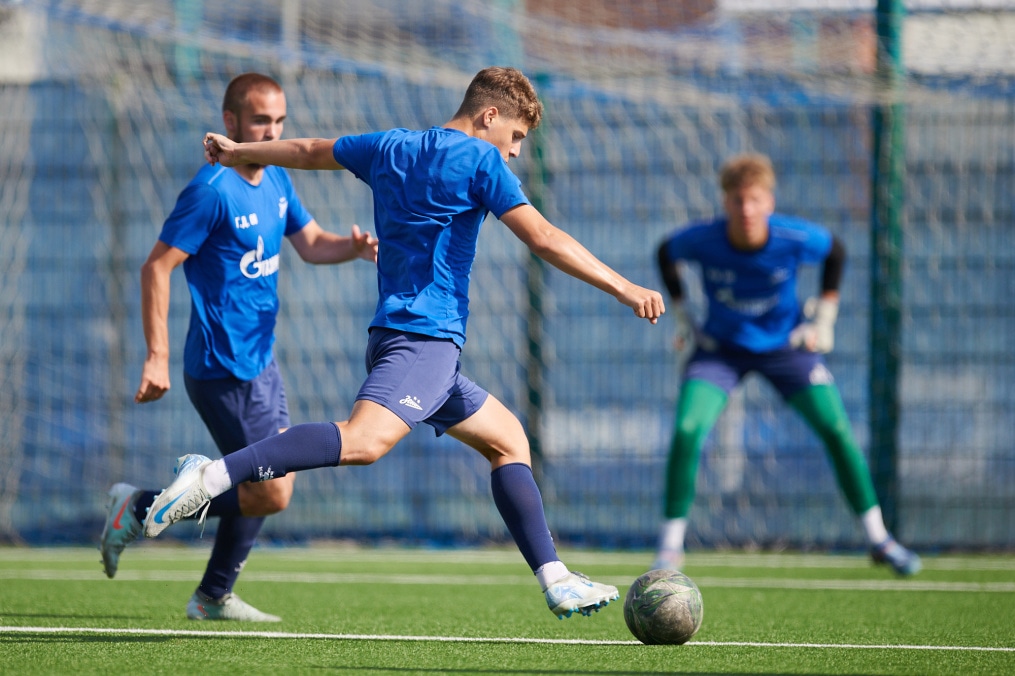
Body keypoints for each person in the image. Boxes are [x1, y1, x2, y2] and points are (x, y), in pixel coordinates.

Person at [139, 66, 666, 619]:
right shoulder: (480, 160)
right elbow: (544, 237)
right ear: (489, 116)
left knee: (509, 440)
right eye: (515, 137)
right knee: (364, 442)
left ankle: (556, 580)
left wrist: (239, 150)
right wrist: (624, 286)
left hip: (401, 340)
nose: (513, 152)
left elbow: (310, 150)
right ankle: (212, 475)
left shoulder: (389, 146)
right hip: (424, 343)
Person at [99, 72, 378, 622]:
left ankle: (211, 595)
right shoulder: (211, 192)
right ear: (231, 123)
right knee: (271, 489)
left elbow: (311, 244)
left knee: (265, 476)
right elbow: (156, 267)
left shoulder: (277, 179)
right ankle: (139, 507)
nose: (271, 132)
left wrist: (351, 247)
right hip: (221, 367)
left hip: (261, 363)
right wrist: (156, 356)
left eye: (279, 122)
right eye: (260, 121)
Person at [651, 152, 921, 576]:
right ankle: (670, 548)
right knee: (687, 430)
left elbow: (836, 252)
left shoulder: (794, 236)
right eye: (738, 200)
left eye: (755, 199)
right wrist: (684, 317)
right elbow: (665, 252)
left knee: (836, 429)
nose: (746, 209)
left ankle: (879, 539)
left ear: (770, 202)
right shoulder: (702, 239)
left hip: (787, 349)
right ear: (725, 202)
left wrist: (825, 319)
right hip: (720, 350)